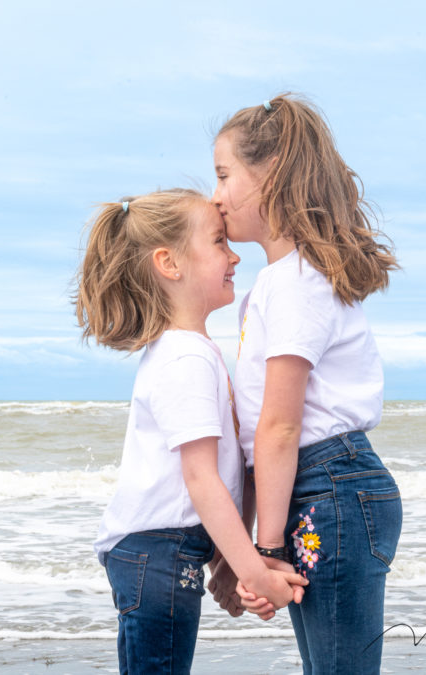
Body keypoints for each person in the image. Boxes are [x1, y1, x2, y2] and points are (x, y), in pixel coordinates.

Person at [75, 188, 308, 674]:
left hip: (160, 552)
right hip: (157, 553)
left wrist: (227, 564)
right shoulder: (185, 357)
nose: (235, 255)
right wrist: (253, 574)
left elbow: (230, 471)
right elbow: (200, 479)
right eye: (220, 242)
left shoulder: (191, 351)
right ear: (169, 263)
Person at [212, 94, 403, 674]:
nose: (215, 196)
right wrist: (240, 556)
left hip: (333, 490)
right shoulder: (273, 286)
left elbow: (279, 426)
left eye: (224, 175)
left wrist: (264, 553)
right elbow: (257, 442)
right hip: (316, 490)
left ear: (270, 176)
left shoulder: (295, 282)